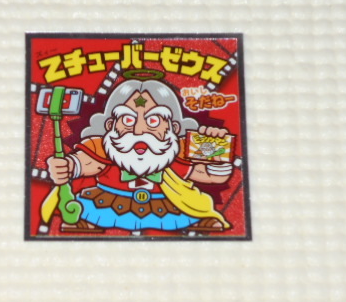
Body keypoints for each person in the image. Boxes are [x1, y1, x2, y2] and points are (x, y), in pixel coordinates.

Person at [47, 80, 233, 233]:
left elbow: (213, 176)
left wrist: (217, 147)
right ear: (111, 125)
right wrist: (66, 167)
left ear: (174, 128)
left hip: (167, 208)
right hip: (106, 205)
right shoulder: (103, 146)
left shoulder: (181, 150)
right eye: (128, 119)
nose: (139, 130)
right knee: (84, 213)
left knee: (194, 214)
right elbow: (84, 163)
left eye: (153, 120)